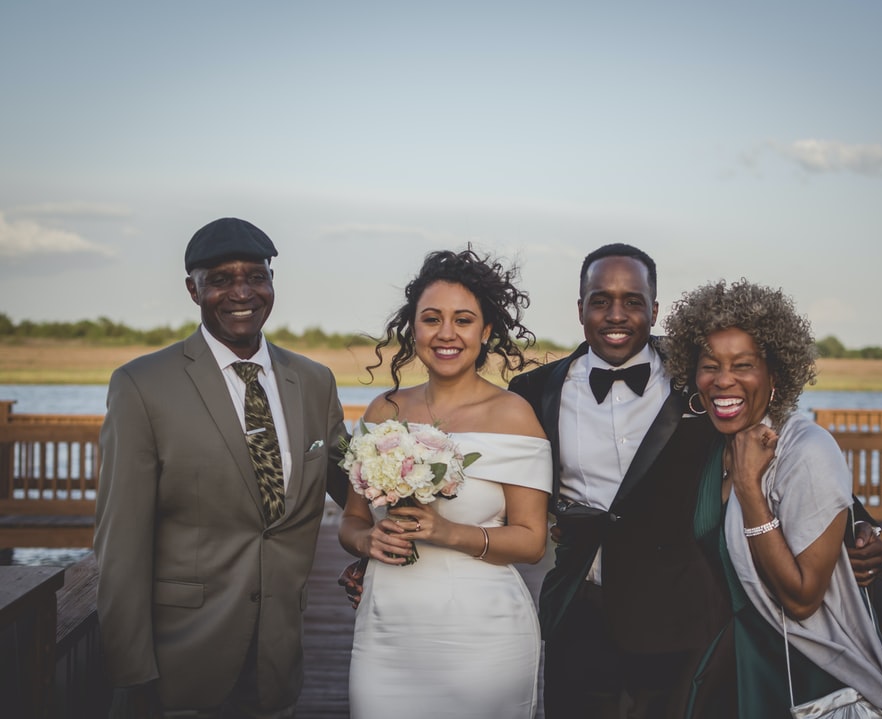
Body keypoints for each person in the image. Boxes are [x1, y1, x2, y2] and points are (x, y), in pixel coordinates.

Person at [506, 244, 882, 719]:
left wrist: (859, 523)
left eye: (633, 301)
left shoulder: (700, 369)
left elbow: (783, 440)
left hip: (680, 613)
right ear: (580, 307)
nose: (616, 314)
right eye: (600, 300)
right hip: (579, 609)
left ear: (655, 309)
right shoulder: (534, 392)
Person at [94, 217, 350, 717]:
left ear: (272, 283)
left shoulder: (315, 381)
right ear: (193, 290)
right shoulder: (142, 386)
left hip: (279, 658)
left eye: (256, 276)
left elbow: (354, 490)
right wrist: (130, 671)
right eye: (221, 279)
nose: (242, 292)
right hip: (181, 659)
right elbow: (120, 540)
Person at [661, 279, 882, 718]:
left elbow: (802, 599)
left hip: (809, 681)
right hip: (732, 665)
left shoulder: (807, 448)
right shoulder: (711, 446)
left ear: (774, 373)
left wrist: (749, 489)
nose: (723, 380)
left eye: (742, 364)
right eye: (710, 365)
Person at [338, 248, 552, 719]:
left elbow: (532, 540)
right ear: (414, 328)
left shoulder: (514, 416)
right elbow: (351, 522)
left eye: (464, 320)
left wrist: (445, 532)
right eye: (432, 319)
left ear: (487, 331)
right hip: (386, 629)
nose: (447, 334)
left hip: (483, 636)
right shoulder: (382, 412)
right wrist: (367, 539)